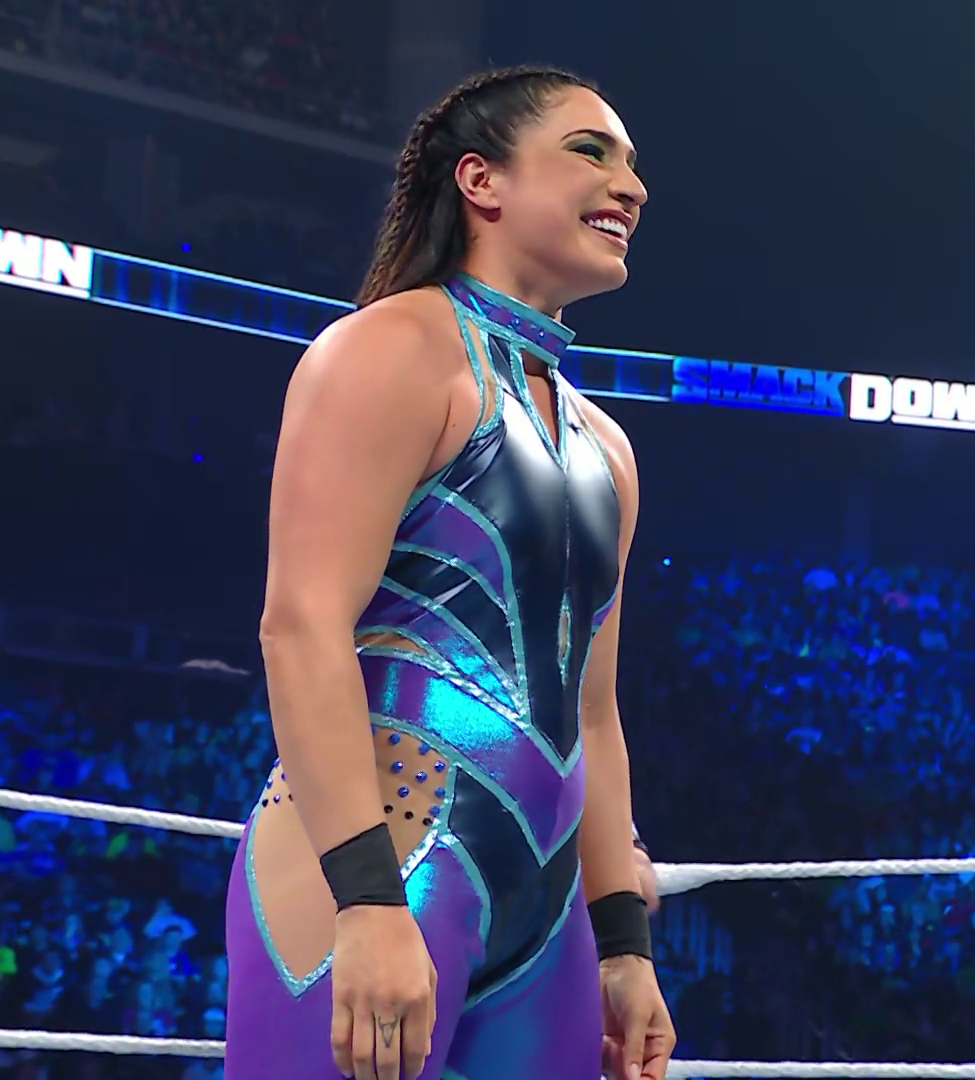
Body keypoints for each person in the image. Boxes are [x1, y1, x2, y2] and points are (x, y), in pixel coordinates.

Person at [228, 66, 673, 1080]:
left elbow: (592, 711)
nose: (632, 186)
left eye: (633, 164)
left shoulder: (606, 448)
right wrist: (368, 900)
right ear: (482, 181)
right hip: (385, 859)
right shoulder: (389, 350)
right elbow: (300, 625)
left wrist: (623, 945)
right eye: (591, 152)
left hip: (547, 916)